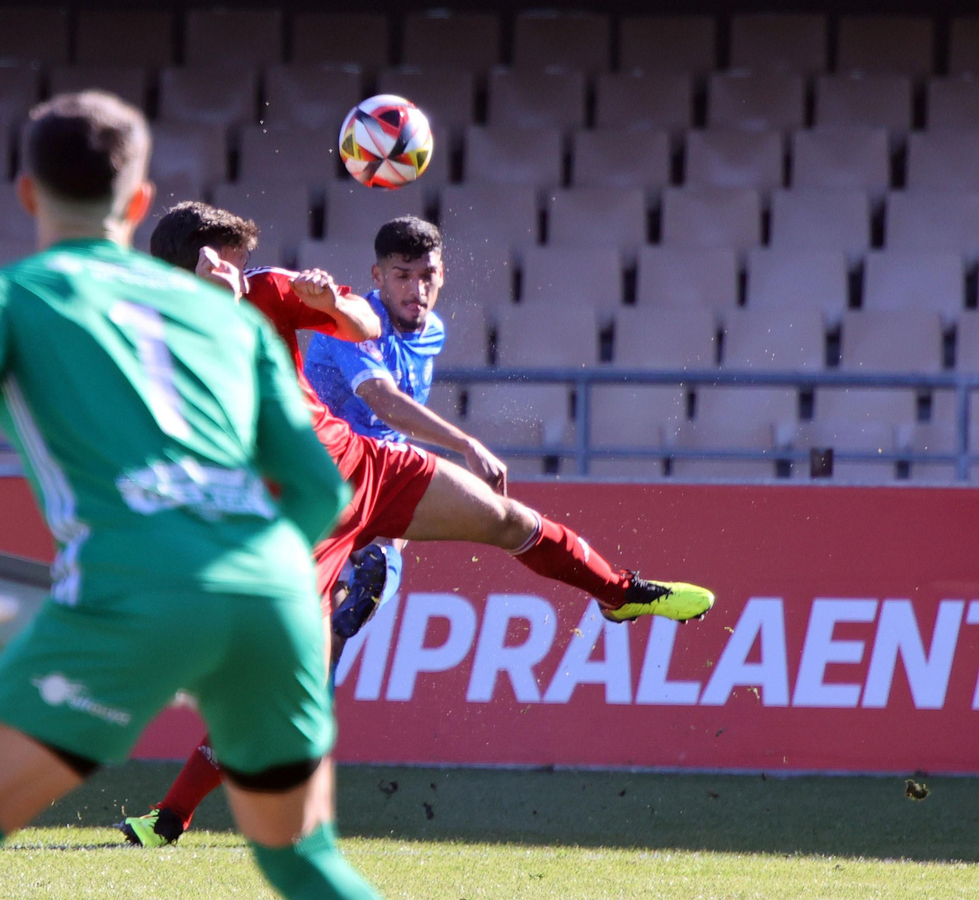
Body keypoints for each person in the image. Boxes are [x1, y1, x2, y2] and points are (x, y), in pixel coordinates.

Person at [0, 91, 382, 900]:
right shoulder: (230, 317)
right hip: (271, 588)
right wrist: (245, 605)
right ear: (141, 201)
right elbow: (320, 488)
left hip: (133, 586)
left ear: (26, 193)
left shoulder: (5, 299)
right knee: (302, 860)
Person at [119, 201, 714, 848]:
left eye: (235, 260)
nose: (239, 272)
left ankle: (620, 594)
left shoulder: (265, 288)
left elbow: (365, 323)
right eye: (221, 262)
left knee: (505, 519)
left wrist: (334, 303)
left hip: (365, 465)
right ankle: (170, 817)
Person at [304, 216, 487, 658]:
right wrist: (465, 443)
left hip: (377, 467)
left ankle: (375, 578)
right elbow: (383, 400)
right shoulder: (352, 322)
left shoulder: (433, 330)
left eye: (427, 276)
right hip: (316, 465)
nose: (416, 290)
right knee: (310, 633)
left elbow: (392, 424)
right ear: (378, 277)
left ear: (441, 274)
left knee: (333, 631)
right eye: (402, 277)